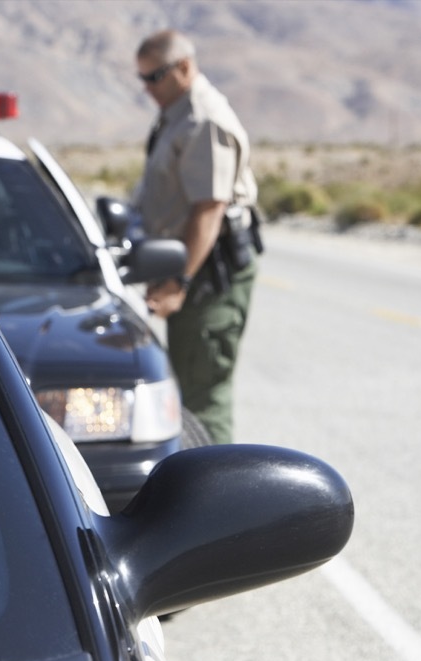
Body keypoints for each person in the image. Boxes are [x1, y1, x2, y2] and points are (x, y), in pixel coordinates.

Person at [133, 29, 261, 445]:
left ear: (184, 68)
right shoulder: (177, 111)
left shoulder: (203, 119)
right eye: (143, 79)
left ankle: (220, 503)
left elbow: (209, 211)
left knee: (203, 397)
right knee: (187, 386)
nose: (148, 89)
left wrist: (177, 282)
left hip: (209, 272)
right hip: (192, 267)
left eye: (155, 77)